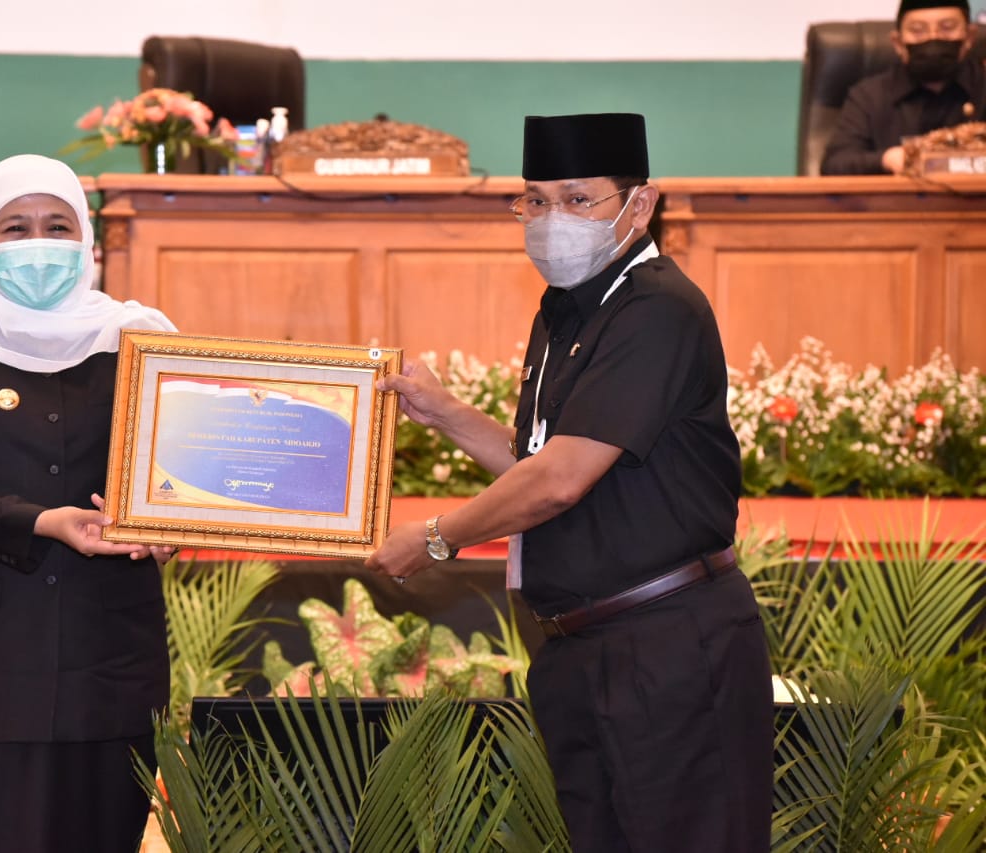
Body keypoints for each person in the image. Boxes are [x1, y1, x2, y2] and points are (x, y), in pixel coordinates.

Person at [364, 113, 774, 852]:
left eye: (577, 200)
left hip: (667, 647)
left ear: (640, 205)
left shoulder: (656, 308)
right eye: (536, 200)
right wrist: (446, 413)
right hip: (583, 649)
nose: (553, 220)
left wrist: (434, 539)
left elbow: (560, 482)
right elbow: (541, 458)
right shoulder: (566, 309)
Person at [0, 153, 178, 852]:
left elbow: (173, 474)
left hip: (109, 661)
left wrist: (171, 521)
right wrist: (45, 521)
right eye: (16, 227)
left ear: (85, 236)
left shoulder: (141, 338)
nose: (40, 243)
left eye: (59, 224)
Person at [821, 0, 985, 175]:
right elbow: (835, 164)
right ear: (898, 43)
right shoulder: (870, 96)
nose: (933, 37)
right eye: (917, 30)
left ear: (969, 37)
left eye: (947, 27)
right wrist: (886, 159)